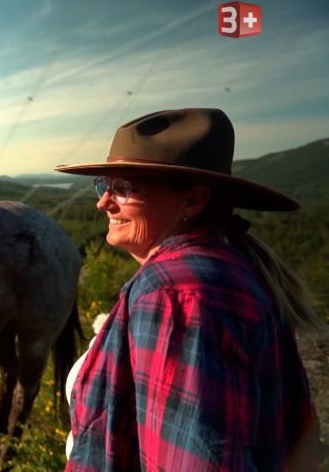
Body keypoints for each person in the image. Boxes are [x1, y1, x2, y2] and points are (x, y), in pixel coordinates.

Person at [54, 108, 325, 471]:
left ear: (193, 201)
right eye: (104, 185)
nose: (103, 202)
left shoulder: (174, 294)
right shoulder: (218, 270)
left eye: (124, 188)